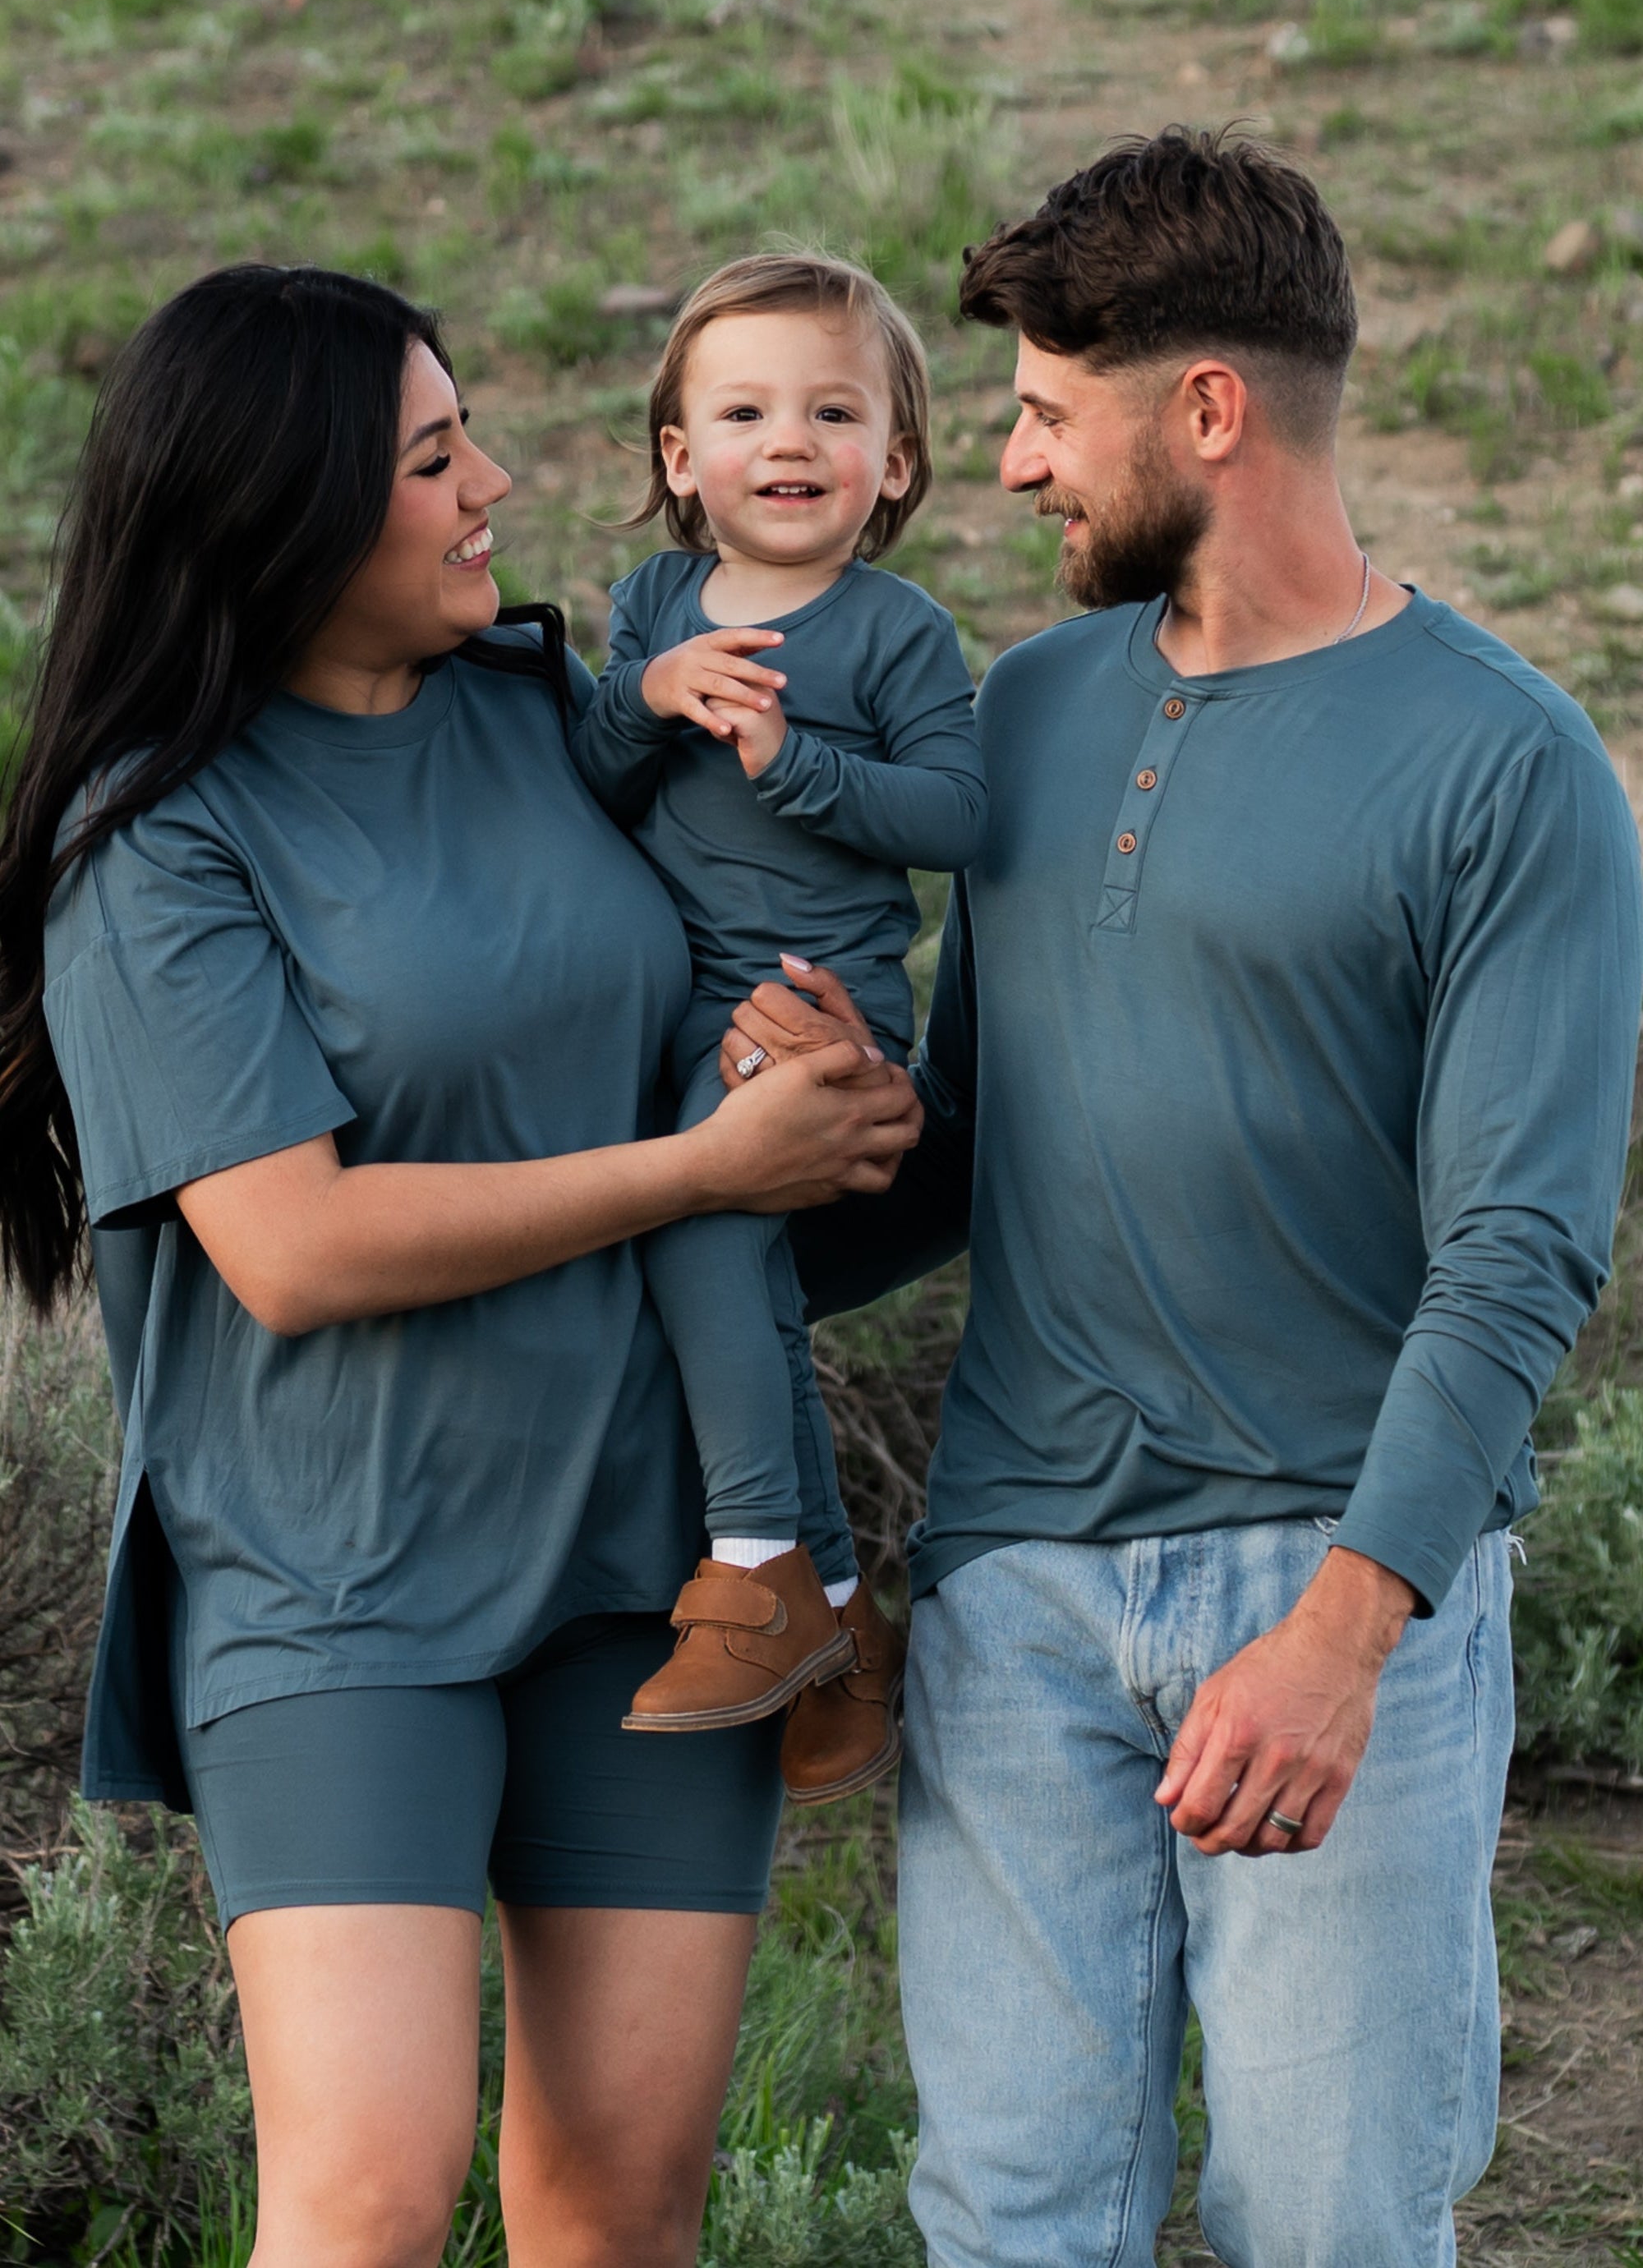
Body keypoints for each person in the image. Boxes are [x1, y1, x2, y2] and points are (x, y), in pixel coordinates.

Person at [719, 129, 1643, 2268]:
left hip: (1337, 1598)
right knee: (1014, 2218)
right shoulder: (1024, 710)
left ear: (1207, 412)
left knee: (1325, 2221)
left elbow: (1520, 1252)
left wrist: (1345, 1638)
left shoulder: (1507, 769)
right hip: (1021, 1592)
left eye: (1048, 412)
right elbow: (975, 1147)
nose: (1016, 467)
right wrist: (737, 1181)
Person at [0, 264, 919, 2268]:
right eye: (433, 458)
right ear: (286, 511)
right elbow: (298, 1247)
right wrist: (697, 1168)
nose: (495, 481)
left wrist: (826, 1096)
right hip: (340, 1589)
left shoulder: (544, 711)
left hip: (652, 1578)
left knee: (619, 2210)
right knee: (366, 2197)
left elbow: (719, 990)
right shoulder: (155, 840)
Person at [571, 252, 983, 1794]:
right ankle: (832, 1617)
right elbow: (595, 782)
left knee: (701, 1224)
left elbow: (958, 813)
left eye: (834, 410)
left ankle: (753, 1569)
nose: (789, 440)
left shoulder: (891, 632)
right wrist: (644, 695)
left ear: (894, 461)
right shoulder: (657, 604)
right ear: (683, 459)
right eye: (744, 411)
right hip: (678, 1006)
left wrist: (792, 763)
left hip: (818, 1013)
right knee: (736, 1276)